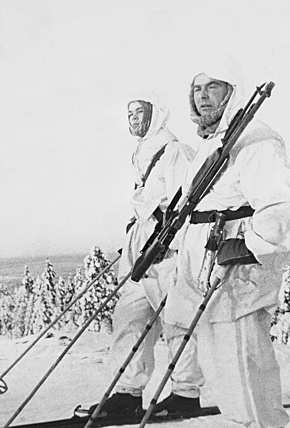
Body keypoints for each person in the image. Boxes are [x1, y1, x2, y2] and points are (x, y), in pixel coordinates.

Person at [164, 66, 290, 428]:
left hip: (235, 277)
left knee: (247, 379)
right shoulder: (210, 145)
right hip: (203, 272)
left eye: (213, 86)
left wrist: (248, 246)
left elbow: (287, 203)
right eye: (197, 88)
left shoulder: (255, 139)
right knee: (224, 379)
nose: (203, 95)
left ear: (233, 92)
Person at [96, 93, 204, 417]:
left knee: (176, 319)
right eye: (129, 113)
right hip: (140, 249)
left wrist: (171, 240)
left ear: (155, 114)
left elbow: (187, 202)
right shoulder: (141, 153)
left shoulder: (173, 150)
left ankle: (186, 393)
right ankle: (128, 393)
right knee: (128, 317)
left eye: (139, 112)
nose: (132, 118)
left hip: (168, 250)